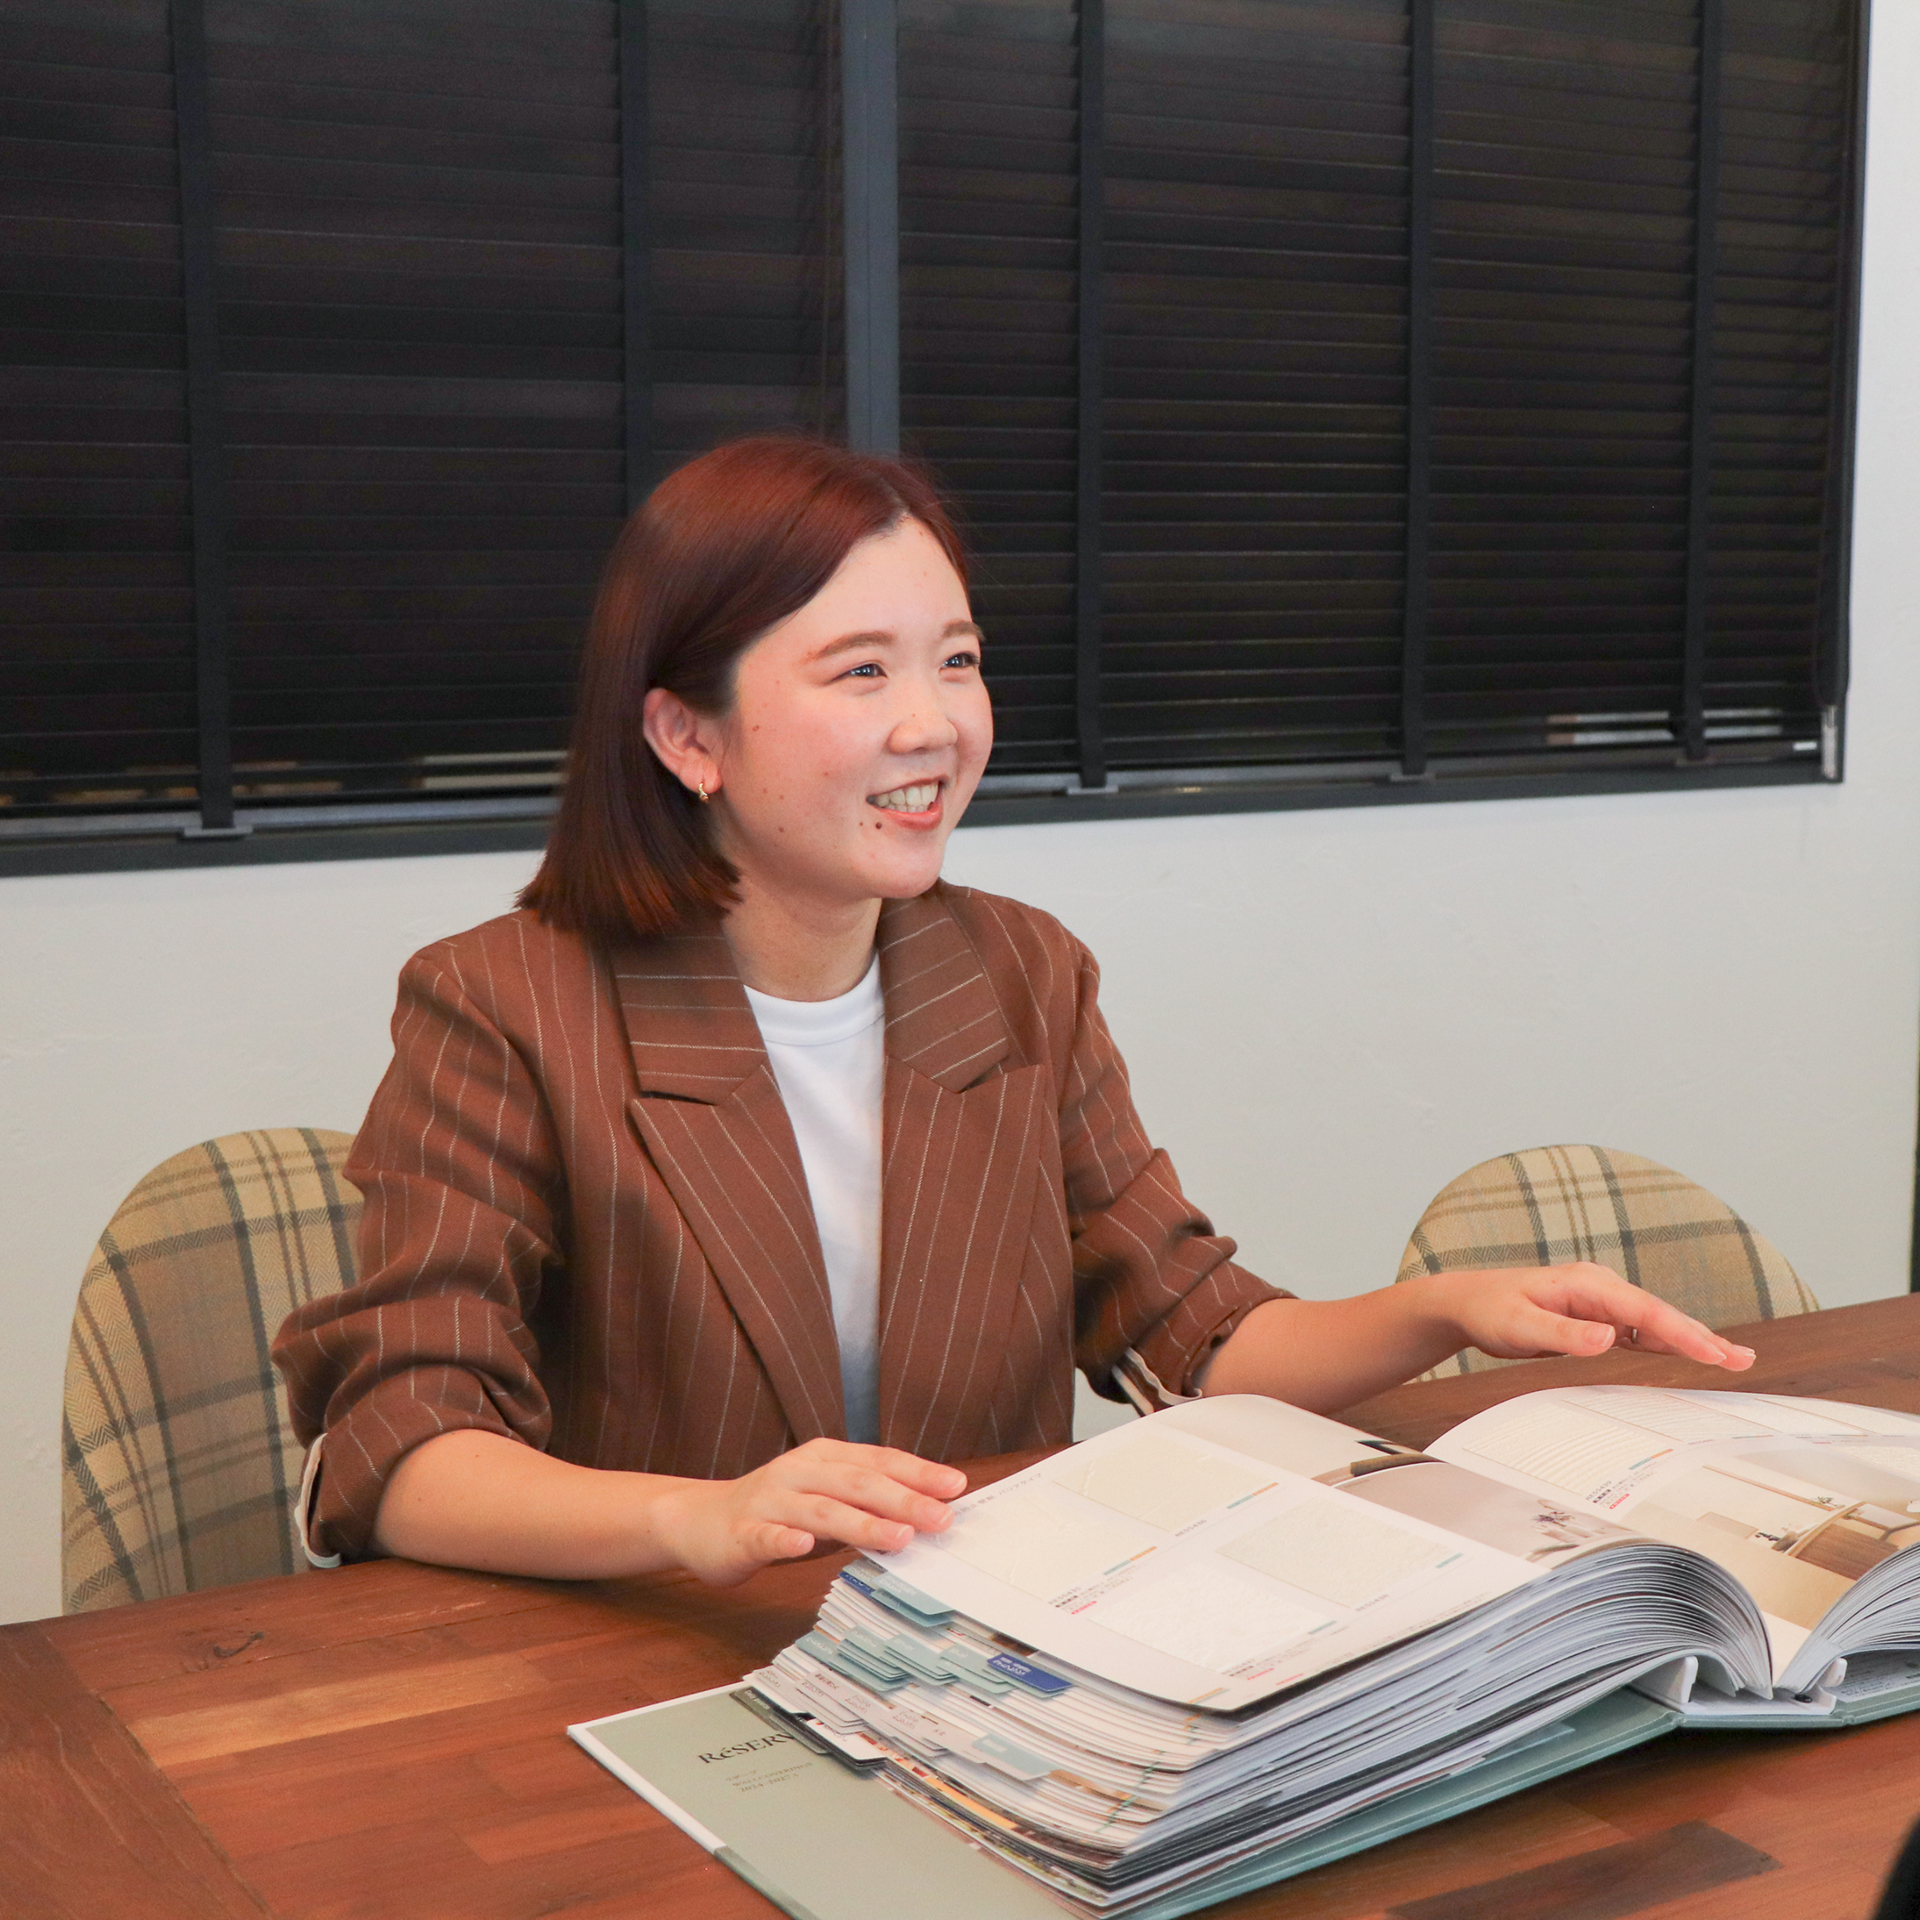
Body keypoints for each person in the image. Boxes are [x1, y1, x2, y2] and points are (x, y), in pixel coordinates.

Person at [273, 436, 1754, 1589]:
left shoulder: (1020, 972)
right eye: (862, 672)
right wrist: (697, 1519)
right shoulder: (501, 1003)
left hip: (979, 1661)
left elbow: (1188, 1337)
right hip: (645, 1660)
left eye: (959, 660)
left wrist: (1444, 1311)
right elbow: (403, 1449)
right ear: (684, 733)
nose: (935, 725)